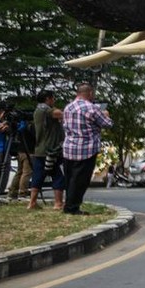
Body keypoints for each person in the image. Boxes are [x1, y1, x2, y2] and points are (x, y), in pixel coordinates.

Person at [60, 83, 112, 215]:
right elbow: (107, 124)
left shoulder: (68, 107)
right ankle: (73, 207)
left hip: (69, 148)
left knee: (70, 179)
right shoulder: (92, 108)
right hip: (86, 149)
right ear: (90, 93)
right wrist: (106, 114)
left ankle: (68, 205)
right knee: (80, 181)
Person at [29, 90, 66, 211]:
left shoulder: (37, 110)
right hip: (51, 149)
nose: (54, 101)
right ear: (48, 99)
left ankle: (32, 202)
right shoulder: (46, 109)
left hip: (39, 149)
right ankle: (58, 203)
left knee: (38, 176)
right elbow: (60, 114)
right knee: (57, 176)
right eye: (53, 98)